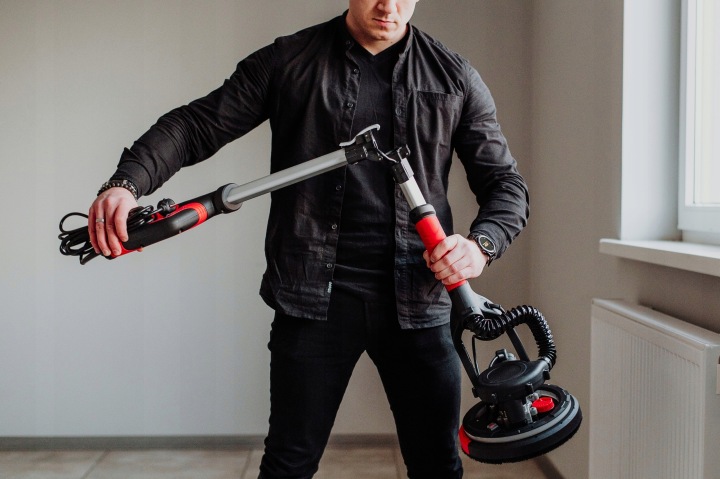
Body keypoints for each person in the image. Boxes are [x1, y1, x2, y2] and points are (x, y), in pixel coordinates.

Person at [88, 1, 529, 477]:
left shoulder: (454, 76)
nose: (388, 5)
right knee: (289, 465)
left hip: (419, 301)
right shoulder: (289, 60)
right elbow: (195, 126)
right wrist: (127, 183)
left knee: (437, 466)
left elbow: (505, 185)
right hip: (313, 297)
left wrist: (480, 247)